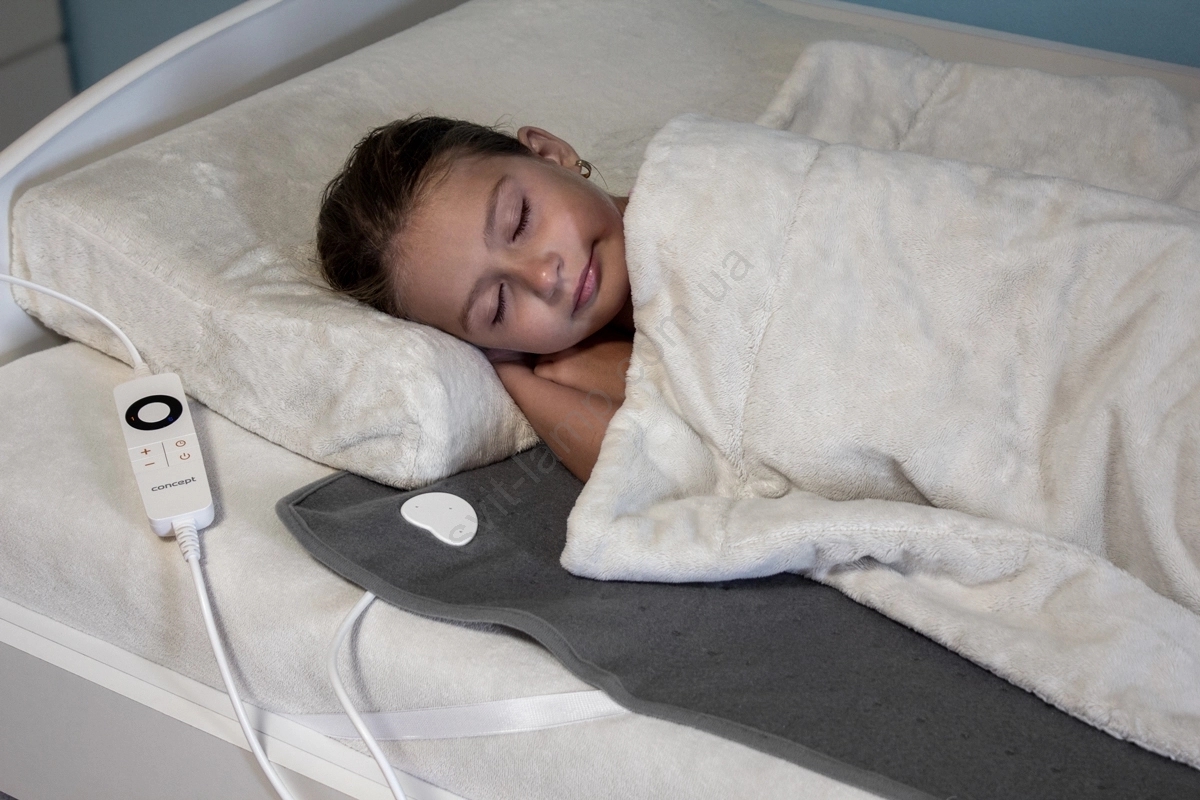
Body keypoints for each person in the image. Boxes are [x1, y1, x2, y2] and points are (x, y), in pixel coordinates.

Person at [317, 116, 634, 481]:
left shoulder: (687, 202)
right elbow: (642, 469)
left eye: (520, 221)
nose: (543, 278)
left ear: (550, 154)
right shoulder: (571, 366)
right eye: (497, 306)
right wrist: (518, 377)